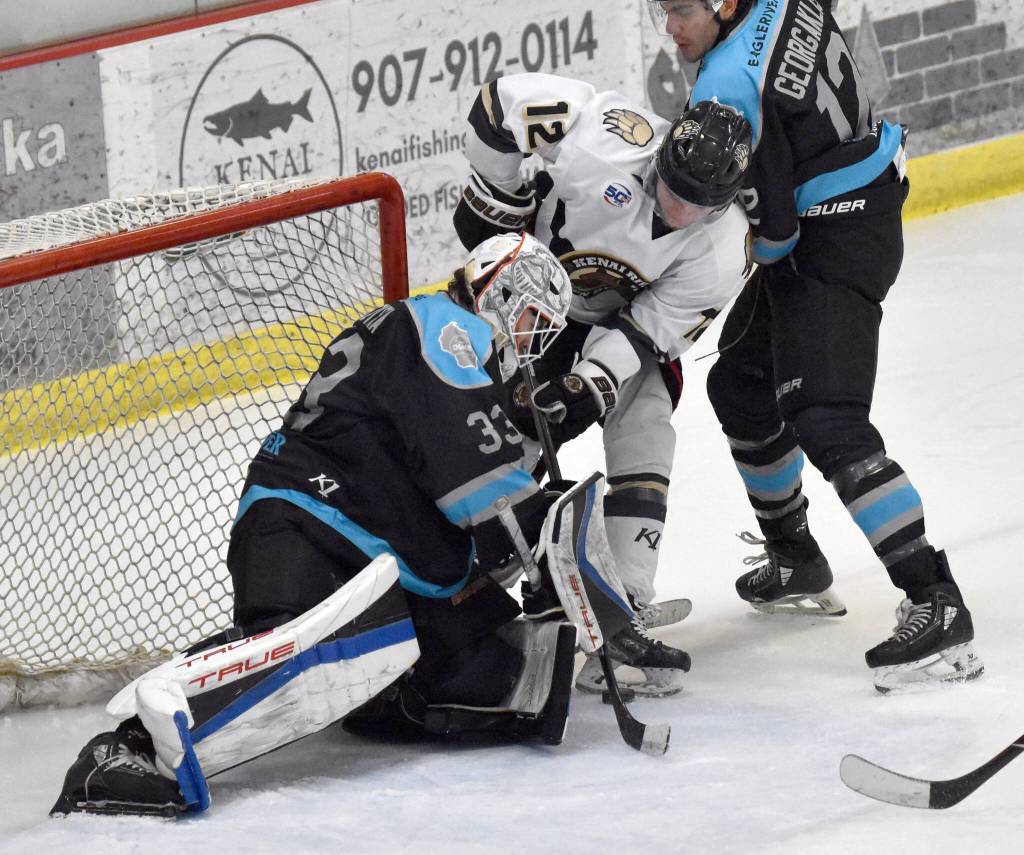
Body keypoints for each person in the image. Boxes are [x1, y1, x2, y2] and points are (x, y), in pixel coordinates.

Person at [50, 233, 644, 818]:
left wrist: (540, 554)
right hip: (309, 515)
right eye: (533, 318)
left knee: (498, 675)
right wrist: (540, 537)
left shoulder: (453, 343)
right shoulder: (445, 328)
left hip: (379, 539)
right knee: (290, 658)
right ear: (502, 291)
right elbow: (472, 473)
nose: (533, 339)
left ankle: (384, 689)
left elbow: (458, 476)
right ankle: (123, 748)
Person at [646, 0, 983, 691]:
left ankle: (935, 597)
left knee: (826, 417)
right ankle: (796, 557)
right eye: (662, 10)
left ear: (724, 5)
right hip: (859, 199)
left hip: (834, 239)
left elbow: (775, 236)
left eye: (680, 11)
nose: (671, 28)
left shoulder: (726, 83)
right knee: (741, 386)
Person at [453, 72, 752, 695]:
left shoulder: (723, 250)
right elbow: (498, 103)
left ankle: (622, 604)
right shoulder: (605, 136)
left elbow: (648, 331)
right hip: (534, 301)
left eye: (698, 205)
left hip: (618, 326)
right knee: (500, 441)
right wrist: (501, 199)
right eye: (672, 189)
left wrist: (587, 385)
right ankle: (455, 583)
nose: (678, 211)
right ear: (661, 156)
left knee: (646, 422)